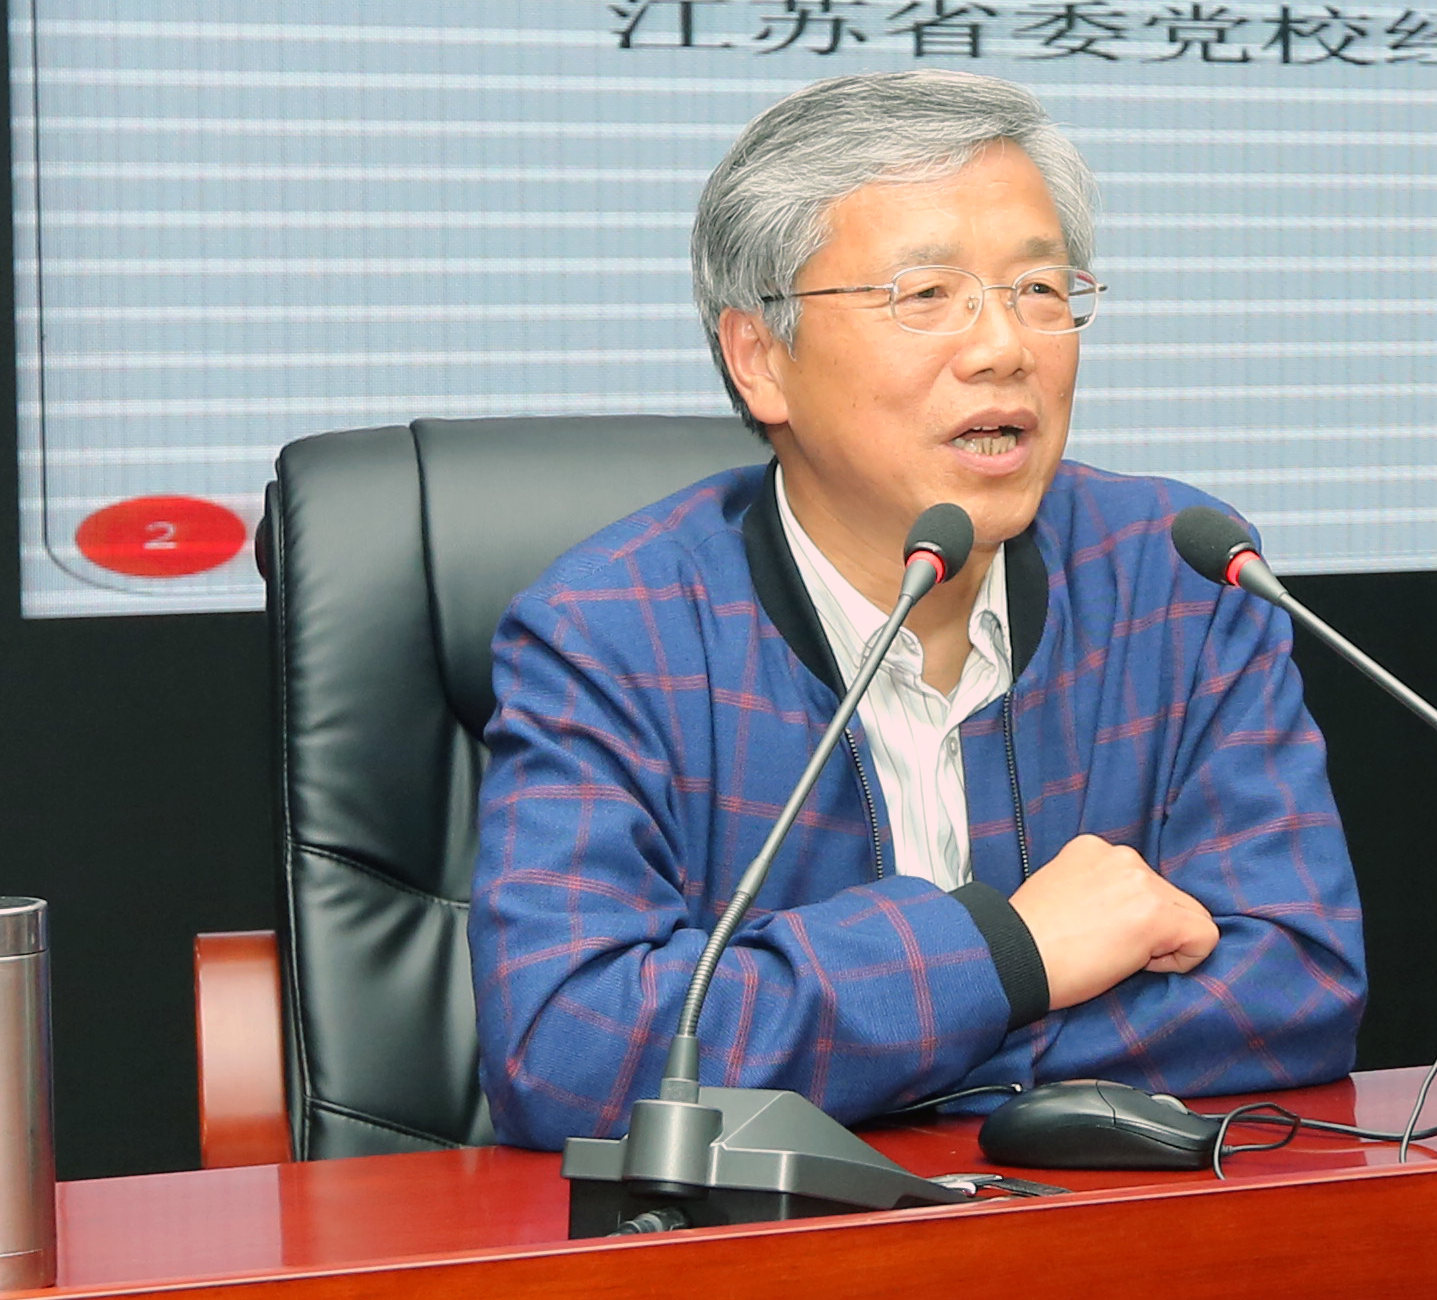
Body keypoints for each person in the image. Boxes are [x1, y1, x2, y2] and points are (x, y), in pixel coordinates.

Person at [471, 69, 1365, 1143]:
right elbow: (566, 1051)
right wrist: (1013, 956)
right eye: (926, 294)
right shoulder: (611, 630)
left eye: (1040, 289)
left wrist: (899, 1050)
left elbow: (1298, 982)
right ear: (760, 359)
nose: (1005, 347)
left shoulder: (1178, 578)